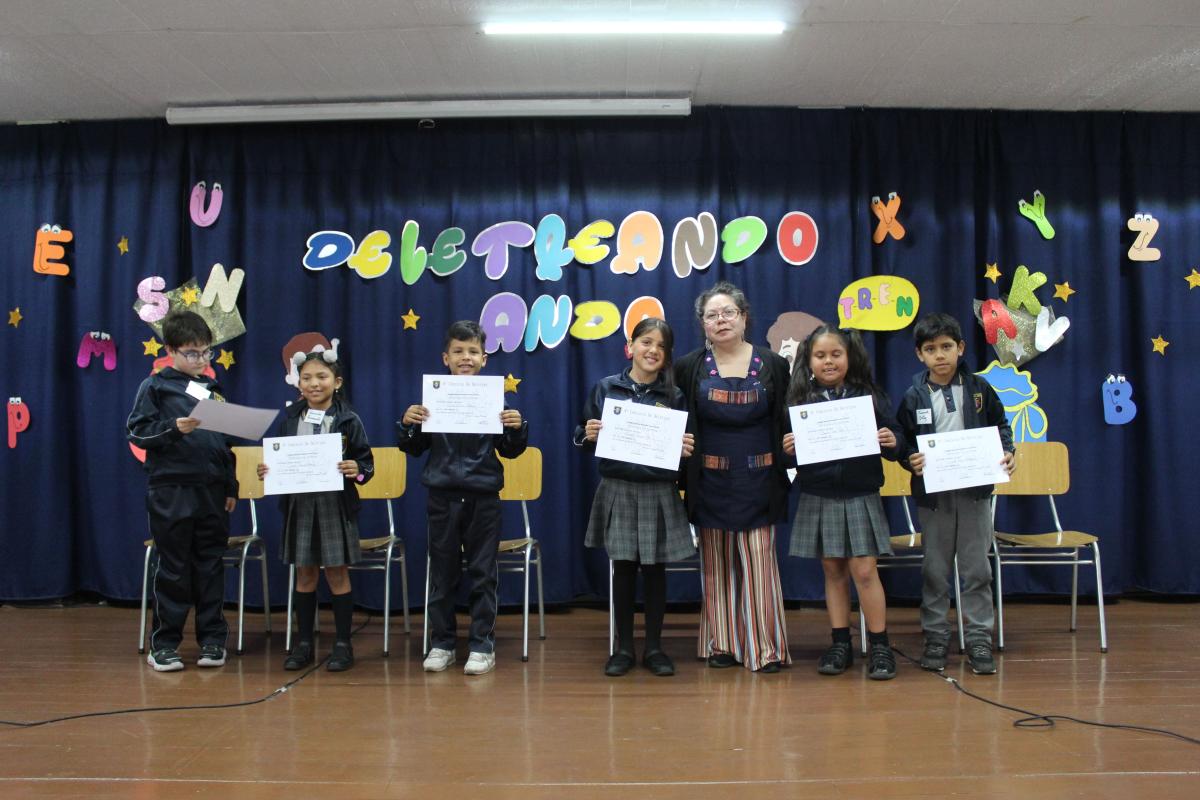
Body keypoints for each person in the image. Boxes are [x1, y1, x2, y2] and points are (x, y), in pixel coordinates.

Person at [398, 320, 529, 676]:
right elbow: (413, 447)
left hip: (483, 497)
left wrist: (516, 428)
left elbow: (511, 450)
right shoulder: (432, 400)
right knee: (442, 573)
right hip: (442, 496)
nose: (465, 357)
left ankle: (481, 645)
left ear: (484, 359)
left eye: (473, 351)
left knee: (483, 573)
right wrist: (408, 424)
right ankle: (442, 643)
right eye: (458, 351)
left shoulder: (495, 400)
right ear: (446, 358)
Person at [674, 281, 793, 673]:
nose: (721, 320)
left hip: (761, 481)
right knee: (716, 566)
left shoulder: (773, 364)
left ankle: (767, 650)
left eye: (728, 313)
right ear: (702, 324)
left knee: (761, 566)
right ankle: (721, 643)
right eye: (712, 315)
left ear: (744, 318)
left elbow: (786, 420)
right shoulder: (688, 366)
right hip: (709, 481)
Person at [575, 318, 695, 677]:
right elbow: (584, 437)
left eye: (661, 346)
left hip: (658, 490)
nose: (652, 350)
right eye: (646, 342)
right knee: (624, 568)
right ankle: (624, 647)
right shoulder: (606, 388)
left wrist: (684, 449)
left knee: (655, 569)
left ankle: (654, 647)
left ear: (667, 356)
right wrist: (587, 434)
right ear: (630, 347)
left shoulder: (674, 396)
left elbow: (683, 448)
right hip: (619, 488)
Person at [897, 312, 1015, 675]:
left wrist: (1008, 452)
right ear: (920, 355)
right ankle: (936, 635)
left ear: (960, 348)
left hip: (975, 493)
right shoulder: (914, 396)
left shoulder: (980, 389)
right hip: (935, 499)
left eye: (947, 347)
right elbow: (902, 441)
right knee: (935, 569)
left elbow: (1001, 426)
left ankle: (979, 636)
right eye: (931, 349)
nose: (940, 355)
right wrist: (908, 458)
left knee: (977, 567)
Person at [782, 326, 903, 680]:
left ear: (849, 357)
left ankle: (879, 645)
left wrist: (892, 440)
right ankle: (840, 643)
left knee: (864, 571)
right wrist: (787, 450)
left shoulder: (869, 396)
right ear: (808, 361)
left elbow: (897, 439)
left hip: (860, 494)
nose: (828, 362)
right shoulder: (799, 401)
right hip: (818, 494)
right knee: (833, 571)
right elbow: (785, 455)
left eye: (836, 354)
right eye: (820, 356)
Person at [126, 310, 237, 672]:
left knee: (210, 566)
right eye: (192, 353)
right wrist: (174, 428)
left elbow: (225, 444)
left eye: (206, 352)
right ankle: (164, 645)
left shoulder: (214, 390)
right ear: (171, 350)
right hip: (171, 489)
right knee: (173, 568)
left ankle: (213, 641)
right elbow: (137, 432)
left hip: (212, 491)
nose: (201, 359)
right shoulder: (155, 386)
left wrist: (231, 485)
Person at [258, 350, 373, 672]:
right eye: (306, 378)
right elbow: (279, 459)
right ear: (299, 384)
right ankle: (304, 643)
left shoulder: (348, 419)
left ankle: (343, 644)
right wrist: (268, 470)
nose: (314, 383)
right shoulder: (289, 419)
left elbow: (366, 466)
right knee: (305, 573)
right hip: (300, 505)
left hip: (335, 505)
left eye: (322, 377)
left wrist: (357, 470)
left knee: (337, 572)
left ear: (337, 382)